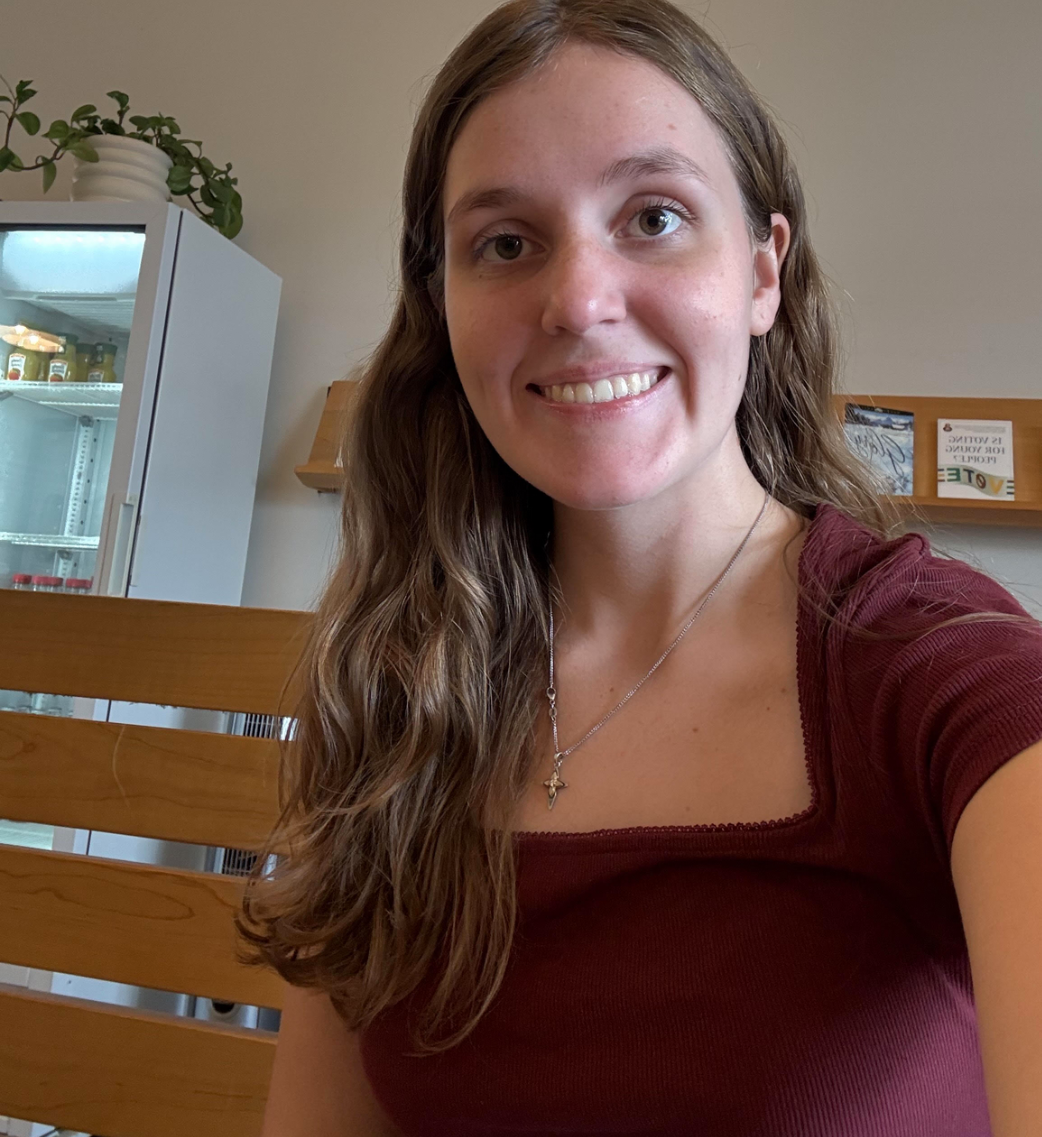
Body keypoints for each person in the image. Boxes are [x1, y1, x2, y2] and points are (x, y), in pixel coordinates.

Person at [241, 2, 1042, 1133]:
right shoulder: (392, 691)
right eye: (505, 242)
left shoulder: (939, 671)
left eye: (654, 217)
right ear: (444, 305)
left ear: (762, 271)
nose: (577, 302)